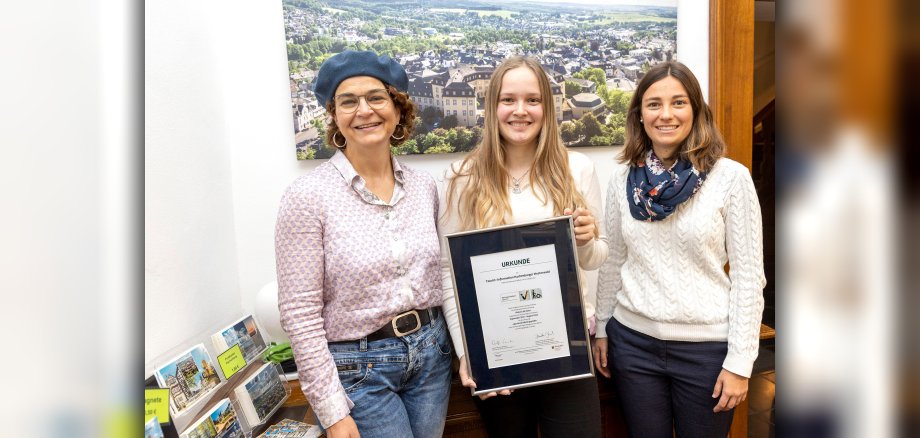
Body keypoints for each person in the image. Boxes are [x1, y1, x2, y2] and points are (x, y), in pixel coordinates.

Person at [275, 50, 451, 438]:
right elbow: (299, 313)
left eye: (376, 97)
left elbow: (441, 274)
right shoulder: (307, 197)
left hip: (432, 356)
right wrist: (332, 410)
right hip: (358, 371)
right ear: (334, 115)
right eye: (348, 101)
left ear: (397, 108)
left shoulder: (424, 188)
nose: (364, 111)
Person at [593, 60, 766, 437]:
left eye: (678, 102)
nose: (665, 114)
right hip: (633, 345)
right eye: (654, 104)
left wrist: (740, 361)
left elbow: (750, 277)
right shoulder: (622, 178)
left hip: (706, 352)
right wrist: (603, 328)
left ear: (696, 111)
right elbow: (614, 260)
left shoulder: (730, 178)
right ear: (639, 114)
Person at [439, 56, 609, 437]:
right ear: (492, 107)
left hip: (568, 345)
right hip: (500, 356)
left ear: (548, 107)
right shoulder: (461, 177)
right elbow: (448, 273)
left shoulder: (577, 168)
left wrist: (586, 240)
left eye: (533, 100)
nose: (520, 110)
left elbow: (597, 257)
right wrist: (468, 352)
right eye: (508, 99)